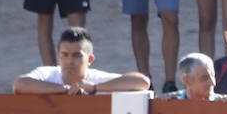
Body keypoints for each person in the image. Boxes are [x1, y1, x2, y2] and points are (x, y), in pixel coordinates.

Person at [12, 27, 150, 95]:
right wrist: (64, 90)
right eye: (64, 55)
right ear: (58, 56)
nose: (69, 61)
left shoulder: (97, 79)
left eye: (77, 55)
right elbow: (20, 84)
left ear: (90, 59)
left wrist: (95, 88)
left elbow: (143, 82)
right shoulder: (48, 74)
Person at [162, 53, 227, 102]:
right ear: (187, 80)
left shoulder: (224, 102)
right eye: (205, 78)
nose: (213, 83)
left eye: (213, 75)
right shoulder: (171, 102)